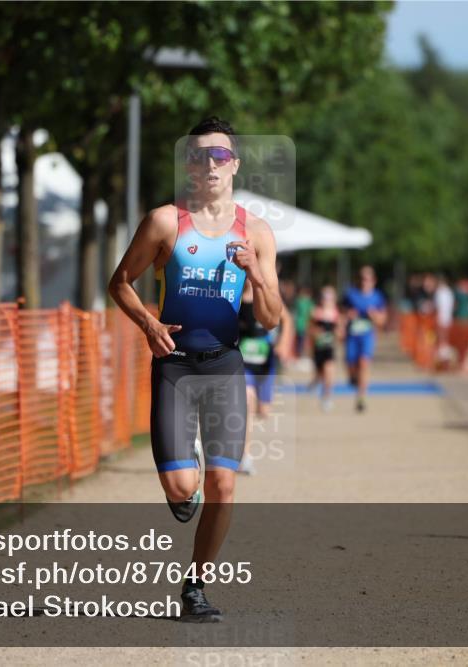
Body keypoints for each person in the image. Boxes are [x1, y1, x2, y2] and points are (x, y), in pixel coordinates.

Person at [108, 116, 281, 622]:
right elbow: (119, 282)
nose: (210, 164)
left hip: (225, 364)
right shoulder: (165, 222)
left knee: (226, 485)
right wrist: (148, 322)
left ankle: (195, 587)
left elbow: (271, 318)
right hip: (176, 367)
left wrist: (256, 275)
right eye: (200, 155)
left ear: (235, 165)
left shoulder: (257, 232)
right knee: (183, 489)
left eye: (220, 155)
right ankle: (187, 486)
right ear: (188, 164)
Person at [238, 281, 292, 474]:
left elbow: (287, 320)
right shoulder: (234, 294)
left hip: (265, 362)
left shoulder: (266, 293)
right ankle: (245, 456)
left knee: (264, 411)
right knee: (247, 403)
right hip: (243, 362)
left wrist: (284, 343)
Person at [342, 266, 387, 412]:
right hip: (352, 337)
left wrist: (374, 315)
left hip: (367, 336)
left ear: (373, 281)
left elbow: (382, 320)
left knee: (364, 363)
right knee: (351, 367)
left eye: (367, 279)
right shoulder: (351, 295)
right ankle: (353, 378)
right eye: (362, 279)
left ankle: (360, 398)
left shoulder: (377, 297)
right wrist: (348, 315)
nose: (364, 282)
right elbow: (340, 313)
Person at [309, 285, 341, 411]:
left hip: (329, 348)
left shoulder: (336, 314)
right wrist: (316, 333)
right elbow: (310, 330)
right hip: (318, 348)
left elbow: (340, 332)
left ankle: (327, 397)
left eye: (329, 297)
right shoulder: (315, 312)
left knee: (329, 371)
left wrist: (337, 333)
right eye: (324, 297)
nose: (327, 300)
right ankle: (315, 382)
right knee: (320, 373)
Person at [292, 285, 314, 359]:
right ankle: (300, 354)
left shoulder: (303, 302)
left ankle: (302, 354)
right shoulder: (301, 302)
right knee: (301, 340)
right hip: (301, 324)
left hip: (304, 324)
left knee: (303, 340)